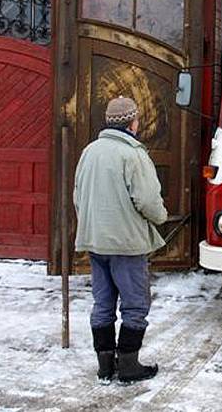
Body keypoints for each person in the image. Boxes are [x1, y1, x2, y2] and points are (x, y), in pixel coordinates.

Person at [73, 96, 168, 384]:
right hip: (126, 244)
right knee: (135, 305)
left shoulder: (89, 152)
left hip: (95, 241)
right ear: (132, 122)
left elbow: (78, 195)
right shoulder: (134, 154)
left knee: (102, 304)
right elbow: (148, 200)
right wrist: (161, 217)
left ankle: (104, 367)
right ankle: (128, 366)